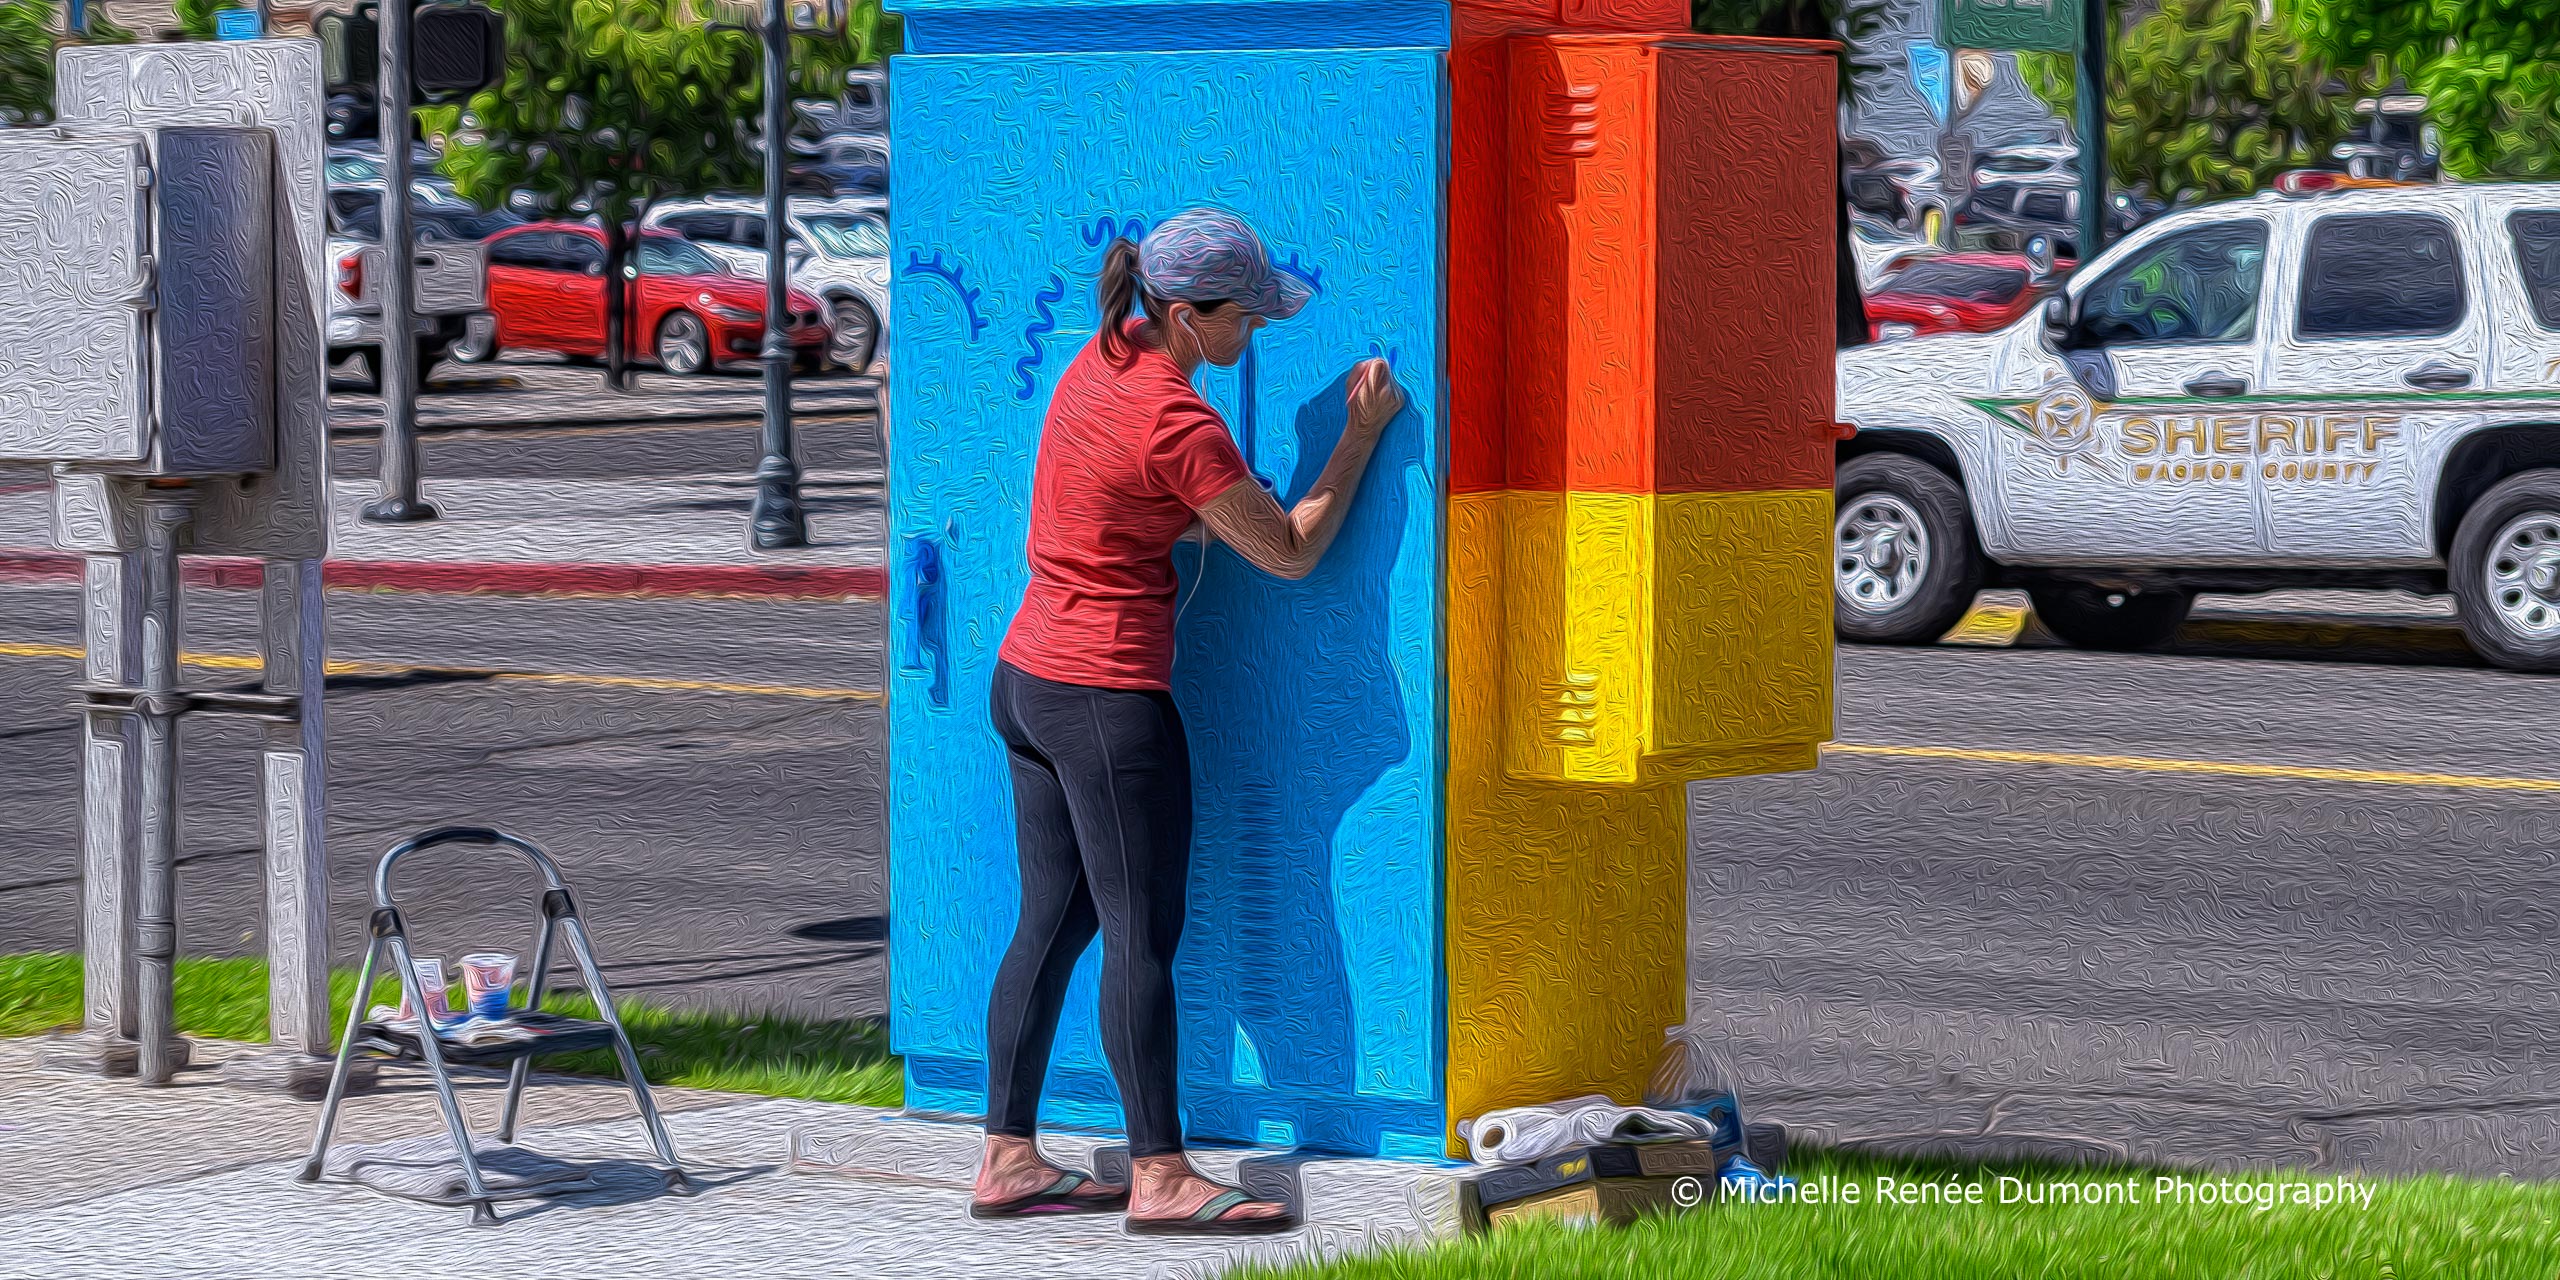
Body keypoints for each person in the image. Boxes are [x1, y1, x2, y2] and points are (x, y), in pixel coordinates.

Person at [969, 208, 1404, 1236]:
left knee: (1052, 920)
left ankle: (1007, 1156)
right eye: (1243, 317)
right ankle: (1161, 1175)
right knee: (1141, 936)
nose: (1255, 331)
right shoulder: (1178, 422)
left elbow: (1127, 491)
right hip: (1104, 696)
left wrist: (1203, 501)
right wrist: (1357, 435)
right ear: (1185, 315)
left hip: (1028, 679)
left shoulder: (1101, 359)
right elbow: (1290, 549)